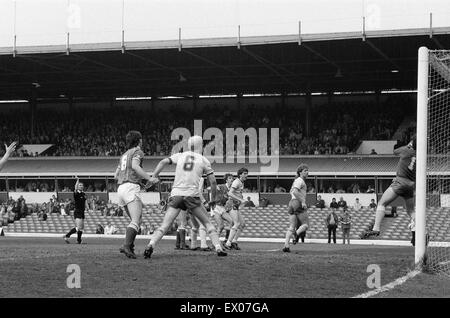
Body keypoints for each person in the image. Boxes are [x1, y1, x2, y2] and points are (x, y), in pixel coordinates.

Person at [143, 135, 227, 258]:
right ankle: (218, 248)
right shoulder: (203, 160)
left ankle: (151, 245)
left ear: (188, 145)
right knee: (207, 223)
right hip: (192, 196)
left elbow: (163, 162)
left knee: (164, 226)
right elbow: (213, 182)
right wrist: (213, 200)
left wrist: (154, 176)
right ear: (201, 146)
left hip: (176, 194)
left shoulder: (180, 155)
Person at [115, 130, 158, 258]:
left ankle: (130, 246)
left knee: (137, 221)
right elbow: (134, 166)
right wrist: (149, 178)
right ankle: (126, 246)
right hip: (130, 188)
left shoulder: (123, 155)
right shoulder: (137, 152)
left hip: (121, 188)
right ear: (139, 140)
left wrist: (139, 182)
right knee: (136, 220)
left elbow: (115, 174)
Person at [363, 138, 417, 239]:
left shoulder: (406, 150)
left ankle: (376, 228)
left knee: (381, 203)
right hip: (410, 185)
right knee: (411, 211)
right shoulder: (419, 156)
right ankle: (420, 229)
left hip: (400, 181)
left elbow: (395, 151)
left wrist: (408, 145)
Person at [282, 164, 309, 253]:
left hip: (292, 203)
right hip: (297, 202)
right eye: (305, 170)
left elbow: (291, 191)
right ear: (300, 172)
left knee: (292, 226)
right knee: (305, 225)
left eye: (307, 170)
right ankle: (296, 234)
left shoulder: (296, 181)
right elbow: (295, 191)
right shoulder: (300, 180)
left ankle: (286, 245)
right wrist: (303, 201)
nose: (307, 172)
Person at [224, 167, 249, 250]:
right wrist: (241, 200)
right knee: (237, 224)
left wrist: (241, 200)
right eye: (245, 174)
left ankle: (234, 241)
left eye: (247, 173)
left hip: (235, 205)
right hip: (231, 204)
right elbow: (229, 193)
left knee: (242, 224)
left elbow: (237, 194)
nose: (246, 175)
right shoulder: (236, 182)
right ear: (240, 174)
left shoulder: (241, 182)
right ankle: (228, 243)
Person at [63, 177, 89, 244]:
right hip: (77, 211)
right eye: (80, 185)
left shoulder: (83, 194)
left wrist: (88, 208)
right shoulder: (76, 193)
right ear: (77, 186)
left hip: (82, 211)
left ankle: (79, 240)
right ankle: (67, 236)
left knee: (82, 228)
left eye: (82, 185)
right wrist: (77, 180)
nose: (81, 186)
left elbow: (85, 201)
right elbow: (75, 187)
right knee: (78, 227)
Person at [212, 173, 234, 243]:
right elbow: (213, 187)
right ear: (226, 180)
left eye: (232, 178)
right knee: (221, 226)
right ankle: (215, 242)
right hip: (216, 207)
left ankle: (226, 239)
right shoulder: (221, 186)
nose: (232, 179)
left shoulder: (232, 189)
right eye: (230, 178)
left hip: (223, 208)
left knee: (231, 221)